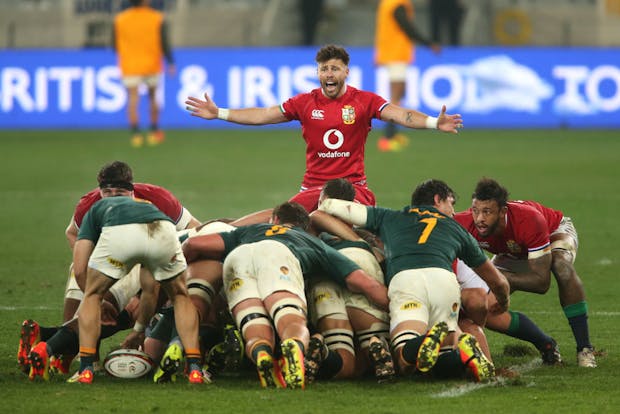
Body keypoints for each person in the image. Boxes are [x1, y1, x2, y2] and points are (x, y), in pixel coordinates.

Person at [185, 44, 462, 213]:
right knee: (282, 227)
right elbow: (263, 115)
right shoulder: (304, 103)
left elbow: (400, 114)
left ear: (346, 72)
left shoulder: (365, 101)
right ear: (318, 73)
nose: (329, 74)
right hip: (313, 189)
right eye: (324, 69)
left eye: (335, 69)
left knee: (370, 240)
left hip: (354, 189)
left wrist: (432, 122)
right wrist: (219, 112)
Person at [18, 161, 200, 377]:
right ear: (99, 190)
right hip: (148, 248)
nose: (113, 197)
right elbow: (72, 235)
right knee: (163, 298)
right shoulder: (90, 203)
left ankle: (63, 353)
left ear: (131, 188)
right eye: (107, 191)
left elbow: (192, 229)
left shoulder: (157, 197)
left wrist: (96, 290)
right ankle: (195, 366)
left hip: (128, 250)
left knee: (97, 298)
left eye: (120, 191)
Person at [318, 179, 511, 382]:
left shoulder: (389, 216)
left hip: (407, 281)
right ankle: (464, 356)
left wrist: (336, 215)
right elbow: (497, 281)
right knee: (444, 355)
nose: (453, 212)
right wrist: (503, 301)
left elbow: (329, 206)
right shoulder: (456, 229)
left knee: (403, 356)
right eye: (451, 203)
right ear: (438, 199)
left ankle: (424, 342)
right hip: (444, 282)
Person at [182, 201, 389, 389]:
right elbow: (362, 282)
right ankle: (294, 345)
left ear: (275, 220)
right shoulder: (311, 241)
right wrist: (393, 307)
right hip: (279, 256)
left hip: (239, 256)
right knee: (287, 315)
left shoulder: (251, 230)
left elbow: (194, 244)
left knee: (252, 319)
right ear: (305, 227)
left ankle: (262, 354)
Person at [58, 195, 205, 384]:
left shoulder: (93, 206)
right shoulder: (154, 199)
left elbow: (79, 271)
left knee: (92, 295)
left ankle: (86, 368)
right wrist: (139, 329)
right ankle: (195, 369)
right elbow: (150, 290)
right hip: (163, 230)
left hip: (121, 233)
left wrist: (95, 297)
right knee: (180, 296)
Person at [453, 177, 596, 368]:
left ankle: (585, 349)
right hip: (511, 250)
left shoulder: (528, 220)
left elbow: (541, 283)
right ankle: (546, 343)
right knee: (485, 307)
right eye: (476, 211)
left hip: (553, 233)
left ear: (503, 211)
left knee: (562, 268)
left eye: (487, 212)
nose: (479, 218)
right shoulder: (465, 223)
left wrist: (501, 279)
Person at [374, 0, 441, 152]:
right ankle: (387, 138)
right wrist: (428, 43)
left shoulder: (388, 3)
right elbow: (407, 27)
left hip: (392, 52)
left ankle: (393, 135)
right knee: (396, 97)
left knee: (399, 92)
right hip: (395, 53)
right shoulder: (397, 4)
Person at [113, 0, 175, 147]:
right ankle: (154, 132)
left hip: (129, 65)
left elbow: (114, 43)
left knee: (133, 99)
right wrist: (170, 62)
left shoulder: (120, 19)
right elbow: (164, 42)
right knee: (153, 96)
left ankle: (136, 135)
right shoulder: (156, 17)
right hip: (151, 64)